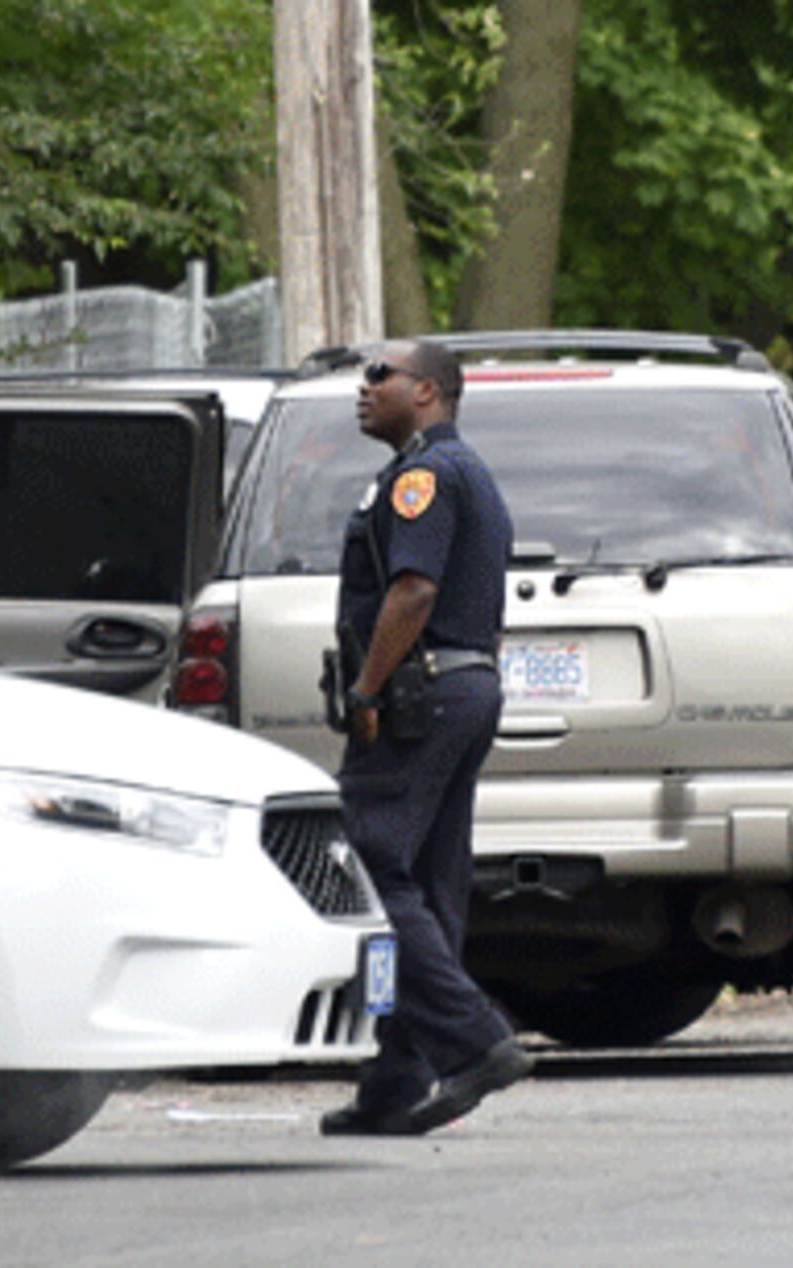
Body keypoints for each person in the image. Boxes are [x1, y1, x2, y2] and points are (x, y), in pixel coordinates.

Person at [319, 339, 533, 1137]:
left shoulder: (424, 478)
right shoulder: (463, 471)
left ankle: (477, 1040)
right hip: (461, 687)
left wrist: (369, 686)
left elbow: (413, 592)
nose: (364, 386)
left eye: (382, 374)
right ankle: (396, 1083)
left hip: (423, 691)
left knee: (368, 865)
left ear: (431, 393)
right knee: (430, 884)